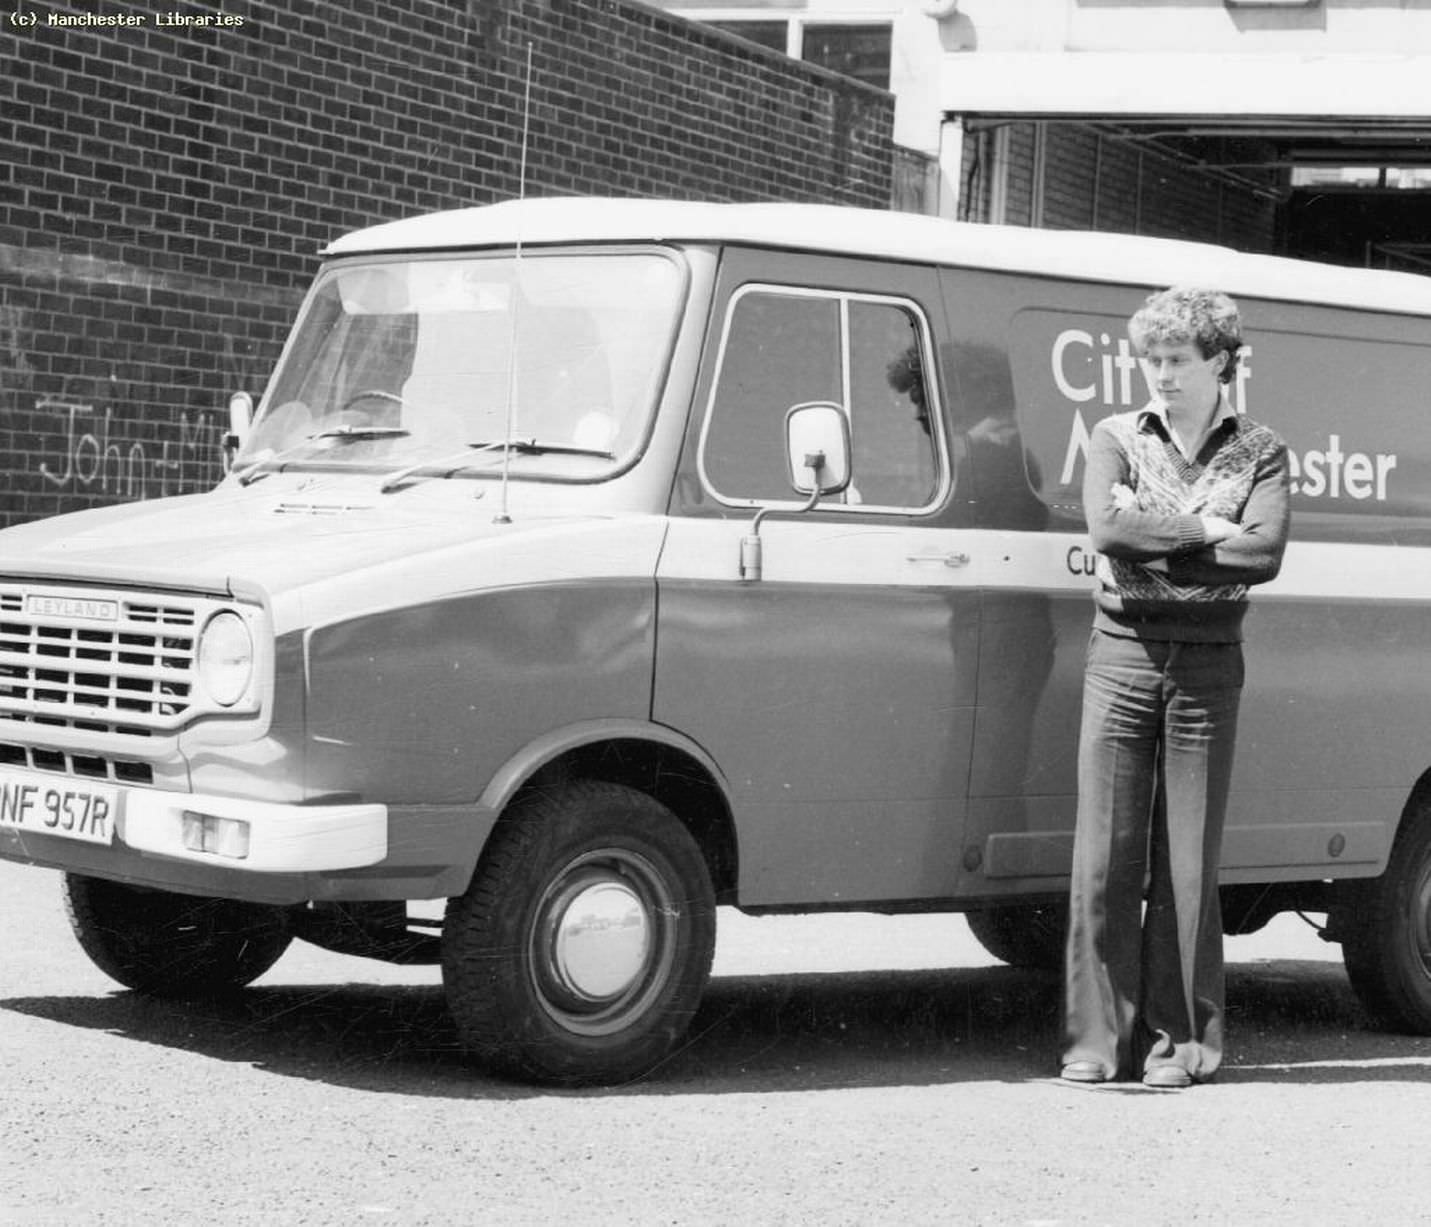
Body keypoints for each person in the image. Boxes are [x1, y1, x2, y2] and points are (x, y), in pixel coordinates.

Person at [1060, 286, 1291, 1090]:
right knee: (1104, 855)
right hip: (1120, 653)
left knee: (1187, 860)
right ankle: (1095, 1041)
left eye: (1176, 360)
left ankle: (1182, 1046)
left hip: (1206, 664)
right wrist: (1203, 530)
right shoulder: (1115, 435)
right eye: (1151, 360)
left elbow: (1262, 556)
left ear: (1220, 360)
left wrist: (1153, 537)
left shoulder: (1261, 448)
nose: (1159, 374)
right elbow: (1108, 531)